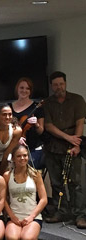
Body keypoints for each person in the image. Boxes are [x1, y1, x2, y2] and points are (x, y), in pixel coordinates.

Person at [43, 71, 86, 227]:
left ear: (65, 83)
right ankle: (60, 212)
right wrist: (68, 138)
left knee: (76, 183)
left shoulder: (77, 100)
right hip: (53, 147)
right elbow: (48, 126)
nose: (58, 87)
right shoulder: (46, 103)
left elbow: (80, 123)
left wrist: (76, 144)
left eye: (61, 83)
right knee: (56, 183)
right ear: (51, 86)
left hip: (74, 146)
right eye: (55, 84)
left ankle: (80, 215)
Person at [4, 145, 48, 240]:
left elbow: (44, 199)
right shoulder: (7, 175)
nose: (22, 158)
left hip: (32, 217)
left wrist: (31, 217)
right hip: (14, 216)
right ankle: (21, 231)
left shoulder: (36, 174)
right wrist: (12, 216)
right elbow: (3, 199)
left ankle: (30, 233)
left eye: (25, 155)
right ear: (13, 159)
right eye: (19, 156)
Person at [9, 77, 45, 169]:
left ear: (30, 91)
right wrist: (16, 138)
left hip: (32, 149)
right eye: (21, 88)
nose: (24, 90)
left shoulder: (37, 107)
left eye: (27, 88)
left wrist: (36, 124)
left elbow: (41, 131)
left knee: (28, 167)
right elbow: (4, 128)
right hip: (12, 147)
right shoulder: (8, 107)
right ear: (17, 88)